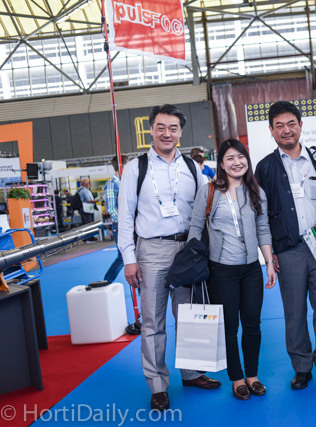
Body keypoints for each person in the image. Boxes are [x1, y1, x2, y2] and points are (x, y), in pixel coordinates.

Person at [118, 104, 218, 412]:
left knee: (190, 315)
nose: (166, 133)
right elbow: (125, 217)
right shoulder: (136, 168)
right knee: (153, 322)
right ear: (151, 130)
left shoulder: (191, 167)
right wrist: (129, 257)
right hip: (152, 251)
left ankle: (192, 373)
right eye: (161, 127)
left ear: (180, 132)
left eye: (173, 128)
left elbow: (204, 209)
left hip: (187, 250)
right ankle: (158, 385)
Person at [254, 101, 316, 389]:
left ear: (301, 126)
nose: (286, 130)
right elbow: (261, 215)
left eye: (291, 123)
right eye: (279, 125)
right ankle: (301, 367)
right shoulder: (265, 167)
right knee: (294, 312)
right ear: (271, 130)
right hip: (288, 250)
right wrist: (269, 255)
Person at [188, 139, 277, 401]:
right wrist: (192, 262)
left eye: (241, 157)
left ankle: (252, 376)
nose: (237, 162)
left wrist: (269, 263)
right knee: (229, 327)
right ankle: (237, 379)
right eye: (230, 158)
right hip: (221, 270)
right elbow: (195, 228)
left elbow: (263, 228)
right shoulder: (209, 191)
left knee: (252, 325)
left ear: (247, 160)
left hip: (251, 269)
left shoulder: (256, 191)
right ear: (221, 164)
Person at [103, 155, 128, 284]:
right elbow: (112, 209)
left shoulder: (125, 182)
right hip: (120, 225)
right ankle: (106, 281)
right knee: (123, 257)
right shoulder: (112, 183)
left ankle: (141, 286)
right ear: (122, 166)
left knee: (135, 256)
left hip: (129, 224)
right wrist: (124, 223)